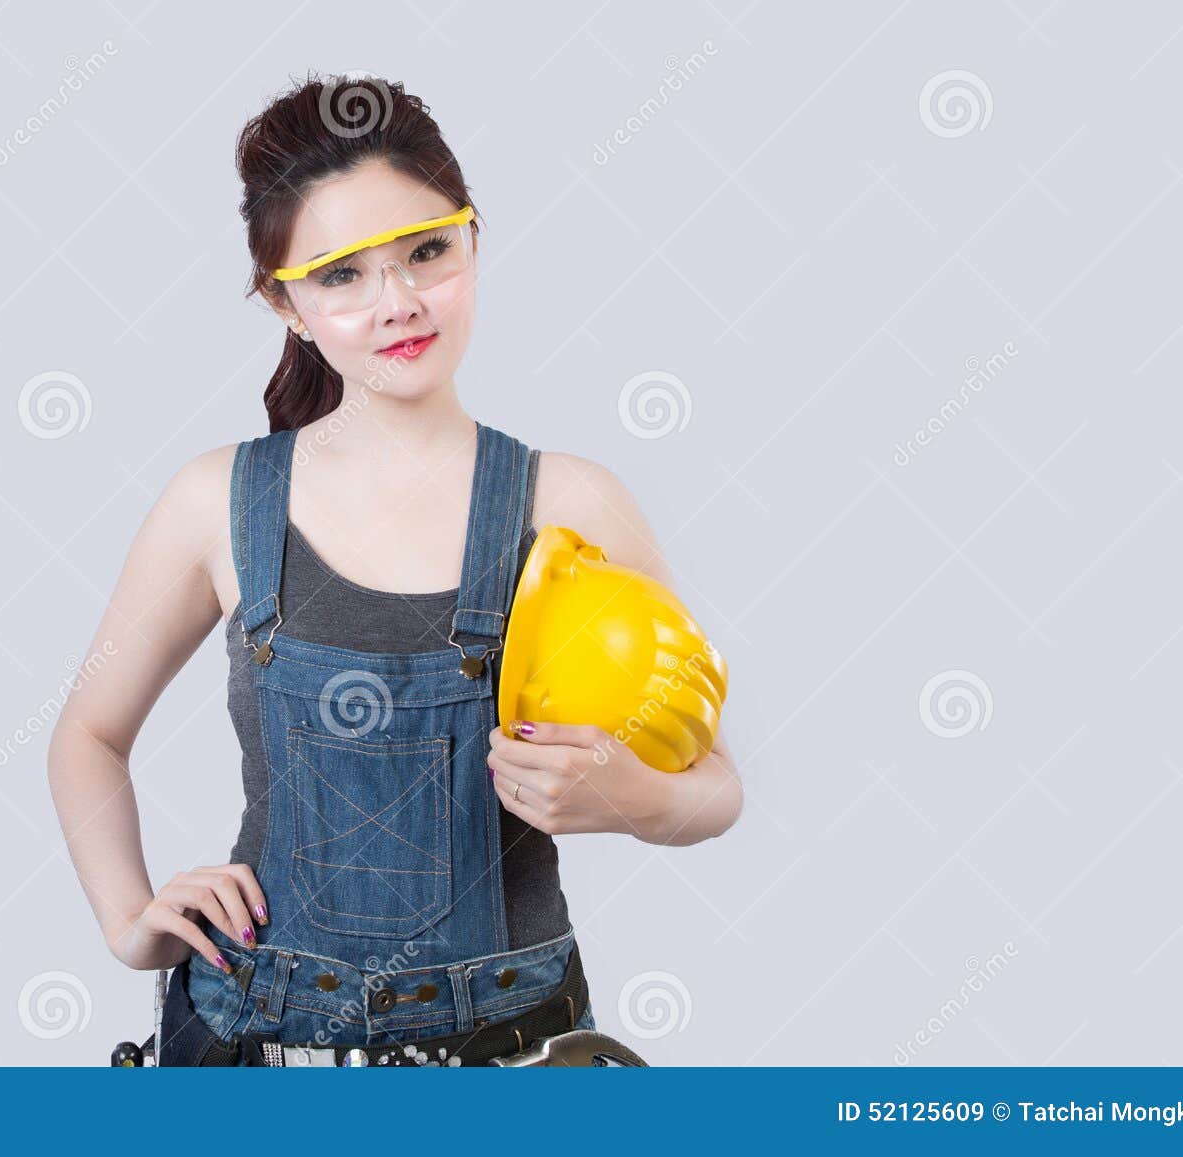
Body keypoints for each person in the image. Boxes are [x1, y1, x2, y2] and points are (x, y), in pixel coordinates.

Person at [46, 73, 743, 1066]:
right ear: (286, 303)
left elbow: (713, 782)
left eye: (427, 251)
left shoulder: (573, 504)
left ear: (472, 241)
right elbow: (87, 730)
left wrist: (634, 795)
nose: (399, 303)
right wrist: (128, 921)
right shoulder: (216, 502)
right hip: (253, 1033)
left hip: (514, 1044)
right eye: (341, 275)